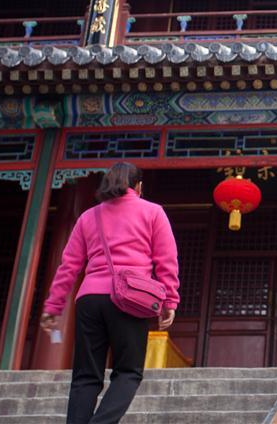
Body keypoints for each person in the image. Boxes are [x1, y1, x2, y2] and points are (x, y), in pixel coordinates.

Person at [40, 162, 180, 424]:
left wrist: (53, 306)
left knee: (85, 376)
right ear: (138, 186)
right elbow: (167, 260)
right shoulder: (153, 212)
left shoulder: (88, 217)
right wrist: (169, 300)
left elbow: (68, 266)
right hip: (130, 299)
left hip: (90, 299)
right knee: (128, 372)